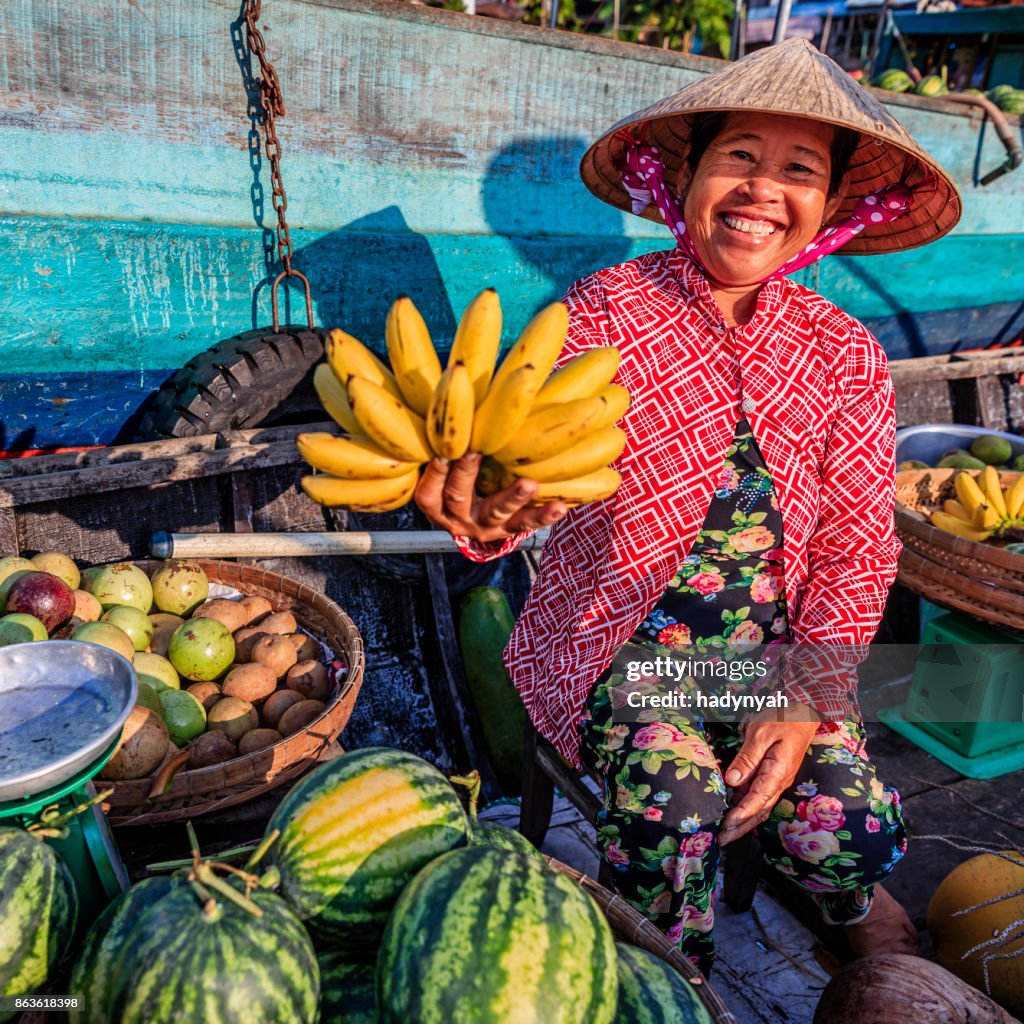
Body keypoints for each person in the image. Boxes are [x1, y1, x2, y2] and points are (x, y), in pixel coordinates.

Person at [415, 38, 960, 974]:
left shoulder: (846, 353)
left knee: (856, 830)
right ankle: (671, 968)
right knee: (678, 806)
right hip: (616, 652)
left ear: (828, 209)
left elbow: (858, 551)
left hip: (768, 662)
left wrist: (805, 694)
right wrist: (489, 509)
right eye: (739, 156)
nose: (761, 190)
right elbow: (527, 474)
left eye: (798, 170)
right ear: (689, 177)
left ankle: (849, 903)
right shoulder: (602, 316)